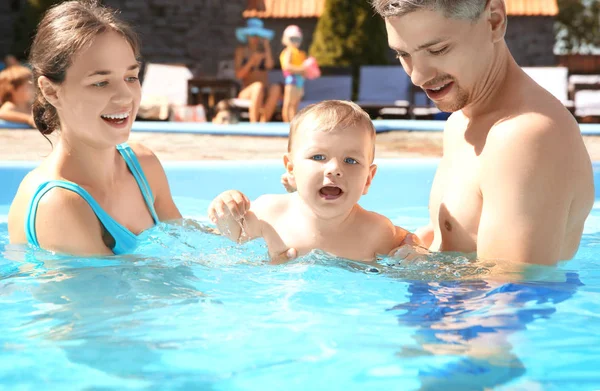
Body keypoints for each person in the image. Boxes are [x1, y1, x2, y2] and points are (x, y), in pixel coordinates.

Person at [366, 0, 594, 265]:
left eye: (438, 49)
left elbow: (509, 293)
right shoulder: (459, 122)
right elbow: (453, 243)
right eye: (403, 55)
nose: (417, 76)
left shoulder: (525, 136)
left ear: (494, 21)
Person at [7, 0, 182, 256]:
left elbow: (188, 246)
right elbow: (116, 294)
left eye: (131, 77)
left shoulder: (142, 166)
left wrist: (232, 218)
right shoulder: (58, 203)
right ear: (51, 91)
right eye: (101, 82)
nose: (125, 97)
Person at [207, 100, 418, 263]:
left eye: (351, 160)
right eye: (318, 157)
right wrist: (225, 209)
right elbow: (225, 239)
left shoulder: (376, 231)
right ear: (291, 169)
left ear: (368, 179)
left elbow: (410, 242)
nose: (335, 169)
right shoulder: (268, 215)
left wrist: (415, 252)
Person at [234, 18, 281, 123]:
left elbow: (269, 66)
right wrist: (251, 62)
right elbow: (238, 75)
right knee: (257, 86)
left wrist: (267, 46)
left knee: (276, 88)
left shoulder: (264, 51)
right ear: (247, 36)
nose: (255, 38)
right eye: (252, 35)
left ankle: (263, 122)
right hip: (247, 91)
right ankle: (254, 123)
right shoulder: (241, 51)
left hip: (264, 90)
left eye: (258, 35)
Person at [279, 25, 306, 123]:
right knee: (289, 104)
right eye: (292, 38)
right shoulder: (288, 51)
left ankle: (292, 123)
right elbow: (287, 66)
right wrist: (301, 69)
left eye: (297, 39)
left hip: (299, 81)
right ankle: (287, 123)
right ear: (285, 39)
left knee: (295, 104)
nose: (295, 41)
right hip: (292, 80)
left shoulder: (299, 53)